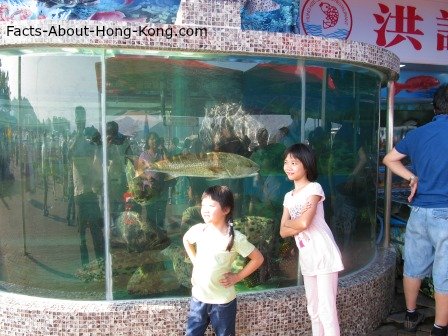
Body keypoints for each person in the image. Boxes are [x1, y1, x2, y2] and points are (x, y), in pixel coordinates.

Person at [382, 84, 448, 336]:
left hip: (419, 211)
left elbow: (389, 159)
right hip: (445, 213)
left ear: (435, 106)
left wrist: (412, 179)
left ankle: (410, 314)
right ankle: (439, 328)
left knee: (413, 265)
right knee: (445, 272)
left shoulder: (419, 134)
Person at [280, 143, 344, 336]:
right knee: (313, 309)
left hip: (324, 254)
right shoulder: (288, 197)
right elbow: (282, 231)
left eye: (294, 162)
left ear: (306, 165)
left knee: (327, 311)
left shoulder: (314, 188)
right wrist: (295, 223)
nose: (288, 166)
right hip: (307, 258)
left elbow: (304, 223)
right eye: (286, 162)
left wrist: (293, 222)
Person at [183, 185, 264, 336]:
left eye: (211, 205)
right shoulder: (199, 230)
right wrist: (195, 260)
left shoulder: (235, 238)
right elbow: (186, 239)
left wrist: (237, 277)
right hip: (198, 298)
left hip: (223, 301)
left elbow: (258, 258)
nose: (205, 209)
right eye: (203, 205)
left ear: (226, 210)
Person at [68, 106, 104, 266]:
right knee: (81, 230)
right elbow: (69, 152)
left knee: (96, 228)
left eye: (82, 117)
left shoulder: (90, 141)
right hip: (80, 192)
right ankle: (84, 264)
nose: (80, 120)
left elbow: (98, 156)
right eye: (78, 118)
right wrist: (79, 134)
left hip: (90, 191)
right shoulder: (74, 139)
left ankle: (101, 262)